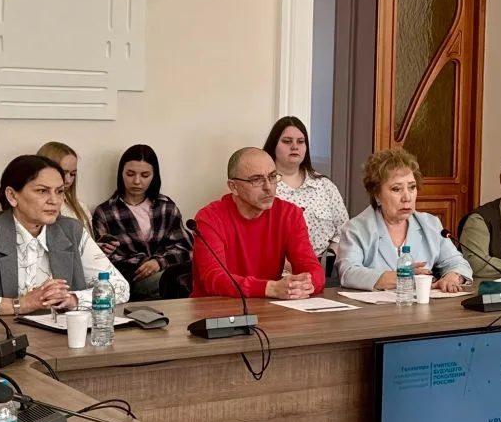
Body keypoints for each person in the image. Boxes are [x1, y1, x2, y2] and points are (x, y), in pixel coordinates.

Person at [0, 154, 129, 317]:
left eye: (59, 191)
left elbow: (120, 287)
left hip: (61, 341)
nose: (54, 200)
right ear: (12, 196)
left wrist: (72, 299)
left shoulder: (72, 231)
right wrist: (20, 304)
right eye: (42, 191)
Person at [191, 147, 325, 299]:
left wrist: (304, 285)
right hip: (215, 307)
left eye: (272, 177)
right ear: (234, 187)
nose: (268, 187)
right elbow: (213, 278)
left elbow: (312, 269)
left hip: (266, 306)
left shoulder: (289, 214)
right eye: (256, 180)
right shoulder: (209, 218)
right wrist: (270, 288)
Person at [333, 148, 472, 291]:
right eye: (396, 189)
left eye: (412, 187)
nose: (407, 197)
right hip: (376, 305)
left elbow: (457, 263)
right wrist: (400, 277)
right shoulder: (357, 228)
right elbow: (348, 273)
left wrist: (452, 277)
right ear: (377, 195)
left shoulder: (431, 224)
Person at [91, 145, 193, 300]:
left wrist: (158, 262)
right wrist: (144, 264)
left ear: (154, 176)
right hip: (131, 279)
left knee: (191, 275)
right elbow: (104, 258)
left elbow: (185, 247)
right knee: (175, 283)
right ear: (121, 174)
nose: (137, 181)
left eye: (145, 175)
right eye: (130, 174)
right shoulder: (106, 212)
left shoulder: (166, 207)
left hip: (170, 272)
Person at [264, 116, 350, 255]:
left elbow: (344, 230)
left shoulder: (324, 186)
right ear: (273, 145)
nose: (294, 146)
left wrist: (328, 258)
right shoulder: (263, 187)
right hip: (278, 266)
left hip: (322, 264)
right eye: (287, 141)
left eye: (300, 141)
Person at [37, 142, 92, 237]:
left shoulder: (80, 207)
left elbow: (88, 241)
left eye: (73, 174)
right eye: (62, 173)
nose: (68, 180)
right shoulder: (32, 207)